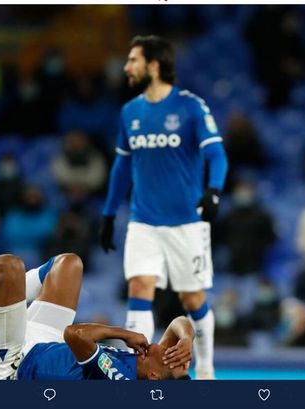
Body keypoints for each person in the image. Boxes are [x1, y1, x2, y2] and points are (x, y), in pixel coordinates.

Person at [99, 35, 228, 379]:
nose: (126, 67)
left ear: (153, 66)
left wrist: (214, 191)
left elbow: (216, 153)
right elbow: (122, 167)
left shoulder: (190, 107)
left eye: (133, 60)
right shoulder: (130, 112)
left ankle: (206, 370)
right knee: (139, 287)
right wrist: (109, 213)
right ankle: (136, 371)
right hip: (143, 221)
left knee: (192, 299)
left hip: (186, 222)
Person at [0, 253, 193, 380]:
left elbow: (76, 335)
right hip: (47, 345)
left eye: (174, 359)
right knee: (69, 264)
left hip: (13, 365)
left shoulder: (119, 380)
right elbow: (180, 324)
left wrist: (124, 334)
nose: (173, 352)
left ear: (153, 376)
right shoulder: (151, 365)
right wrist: (188, 338)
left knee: (7, 269)